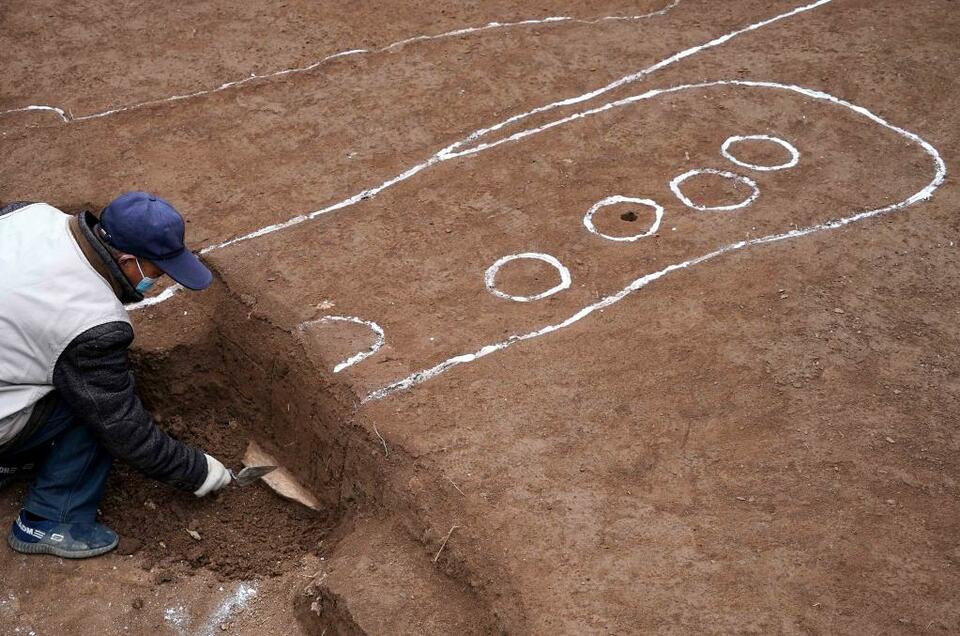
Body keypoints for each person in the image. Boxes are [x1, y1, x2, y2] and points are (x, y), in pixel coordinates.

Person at [0, 192, 232, 559]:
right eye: (156, 271)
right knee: (92, 408)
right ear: (126, 261)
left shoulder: (29, 215)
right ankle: (50, 520)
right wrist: (196, 472)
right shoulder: (92, 322)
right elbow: (121, 426)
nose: (159, 280)